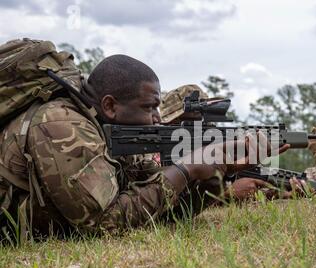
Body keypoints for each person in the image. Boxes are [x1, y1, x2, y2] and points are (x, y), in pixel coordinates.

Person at [0, 55, 277, 239]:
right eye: (149, 107)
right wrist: (188, 167)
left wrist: (213, 172)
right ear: (110, 105)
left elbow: (161, 210)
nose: (158, 117)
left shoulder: (116, 132)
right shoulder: (60, 123)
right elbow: (103, 224)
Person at [159, 84, 309, 201]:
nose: (200, 127)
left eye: (203, 120)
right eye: (188, 122)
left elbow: (249, 184)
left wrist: (283, 194)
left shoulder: (219, 151)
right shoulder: (153, 154)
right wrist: (226, 195)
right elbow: (156, 198)